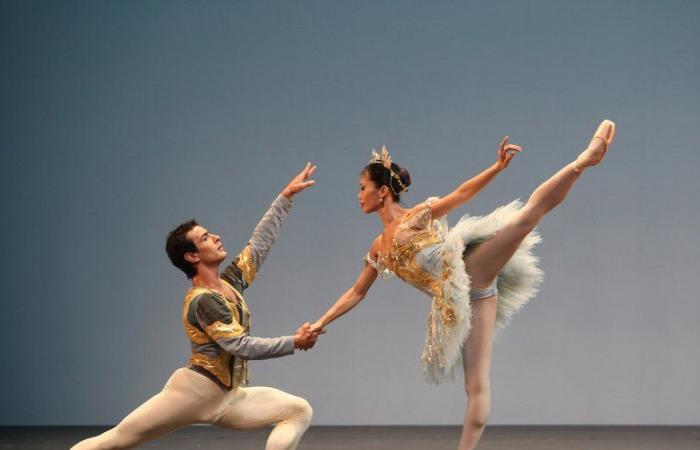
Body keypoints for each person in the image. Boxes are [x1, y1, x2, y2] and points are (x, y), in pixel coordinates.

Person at [310, 121, 616, 449]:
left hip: (470, 270)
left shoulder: (416, 217)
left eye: (361, 187)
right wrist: (319, 323)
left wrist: (497, 167)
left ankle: (583, 160)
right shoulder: (378, 249)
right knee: (476, 388)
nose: (358, 196)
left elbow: (462, 193)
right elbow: (357, 291)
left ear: (381, 191)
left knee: (527, 218)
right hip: (470, 300)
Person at [73, 163, 321, 450]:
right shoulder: (203, 300)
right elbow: (241, 346)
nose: (215, 237)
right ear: (192, 256)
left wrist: (285, 197)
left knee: (298, 410)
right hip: (195, 393)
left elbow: (258, 246)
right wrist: (295, 342)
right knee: (114, 441)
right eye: (205, 238)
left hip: (228, 397)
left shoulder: (230, 284)